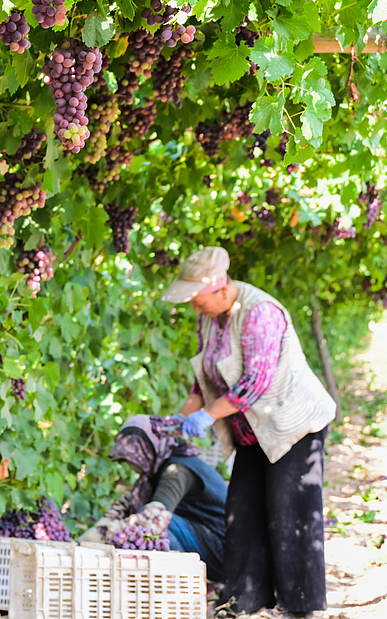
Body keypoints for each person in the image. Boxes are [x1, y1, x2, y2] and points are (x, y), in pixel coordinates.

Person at [161, 246, 335, 618]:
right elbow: (203, 380)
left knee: (290, 511)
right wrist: (177, 419)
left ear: (221, 289)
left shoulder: (259, 312)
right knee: (242, 512)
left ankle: (301, 607)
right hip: (252, 430)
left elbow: (255, 382)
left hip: (293, 424)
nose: (194, 307)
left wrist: (208, 416)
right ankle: (243, 601)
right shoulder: (208, 317)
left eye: (197, 299)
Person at [79, 415, 228, 583]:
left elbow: (153, 520)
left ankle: (181, 582)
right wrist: (90, 537)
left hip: (223, 553)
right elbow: (126, 504)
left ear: (147, 449)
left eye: (134, 459)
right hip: (208, 543)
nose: (133, 467)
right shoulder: (157, 470)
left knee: (150, 522)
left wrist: (102, 534)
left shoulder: (177, 470)